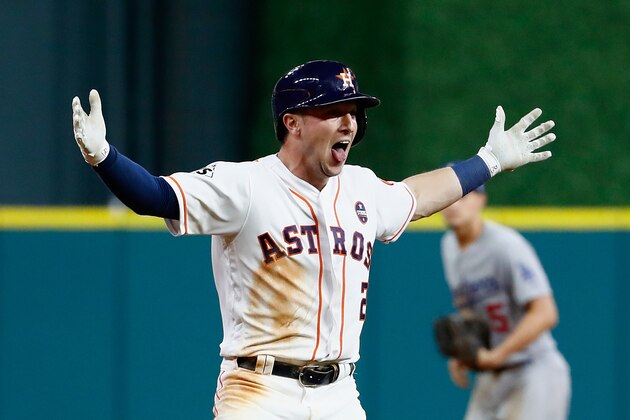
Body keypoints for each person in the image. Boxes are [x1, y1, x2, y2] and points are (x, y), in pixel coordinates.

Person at [72, 59, 556, 419]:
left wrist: (487, 161)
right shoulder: (245, 185)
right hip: (258, 391)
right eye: (334, 110)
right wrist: (105, 157)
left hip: (340, 392)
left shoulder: (362, 187)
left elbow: (419, 195)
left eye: (354, 111)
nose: (350, 122)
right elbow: (155, 196)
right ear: (293, 122)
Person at [439, 181, 571, 419]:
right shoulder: (449, 247)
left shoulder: (505, 245)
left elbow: (545, 312)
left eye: (464, 197)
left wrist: (498, 354)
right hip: (493, 375)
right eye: (448, 198)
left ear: (482, 200)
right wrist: (466, 354)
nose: (454, 205)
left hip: (533, 369)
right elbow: (472, 311)